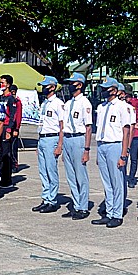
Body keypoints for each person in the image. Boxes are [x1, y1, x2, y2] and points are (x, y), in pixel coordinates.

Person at [91, 78, 133, 228]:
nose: (104, 91)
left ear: (114, 90)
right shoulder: (101, 107)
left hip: (115, 145)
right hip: (102, 145)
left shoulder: (122, 107)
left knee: (117, 181)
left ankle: (117, 214)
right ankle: (108, 212)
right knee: (107, 182)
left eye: (107, 88)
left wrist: (124, 154)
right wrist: (97, 151)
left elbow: (126, 131)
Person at [60, 72, 93, 220]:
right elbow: (63, 126)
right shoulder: (67, 104)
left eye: (72, 83)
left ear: (79, 85)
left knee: (80, 175)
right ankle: (76, 204)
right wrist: (61, 144)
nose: (69, 86)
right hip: (68, 138)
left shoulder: (85, 103)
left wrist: (86, 149)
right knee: (71, 175)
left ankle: (83, 207)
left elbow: (88, 127)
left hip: (78, 139)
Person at [32, 76, 64, 213]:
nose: (43, 88)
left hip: (52, 138)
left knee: (51, 171)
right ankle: (45, 198)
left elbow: (62, 126)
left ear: (52, 87)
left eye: (45, 86)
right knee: (43, 171)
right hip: (43, 138)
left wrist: (60, 145)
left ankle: (52, 200)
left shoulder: (58, 103)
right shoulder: (44, 103)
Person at [0, 75, 20, 187]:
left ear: (8, 84)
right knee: (0, 154)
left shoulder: (11, 98)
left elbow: (13, 115)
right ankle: (0, 177)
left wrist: (10, 129)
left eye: (3, 82)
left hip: (7, 127)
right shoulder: (0, 97)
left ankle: (7, 180)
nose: (1, 84)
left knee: (6, 154)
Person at [125, 87, 138, 188]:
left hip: (135, 134)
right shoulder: (122, 104)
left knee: (133, 157)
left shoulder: (137, 102)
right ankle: (124, 177)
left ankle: (132, 178)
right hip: (125, 133)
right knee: (124, 155)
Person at [10, 84, 23, 173]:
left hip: (14, 127)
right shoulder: (7, 100)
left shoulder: (17, 101)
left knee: (13, 147)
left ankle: (14, 164)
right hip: (6, 127)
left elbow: (18, 116)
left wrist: (17, 129)